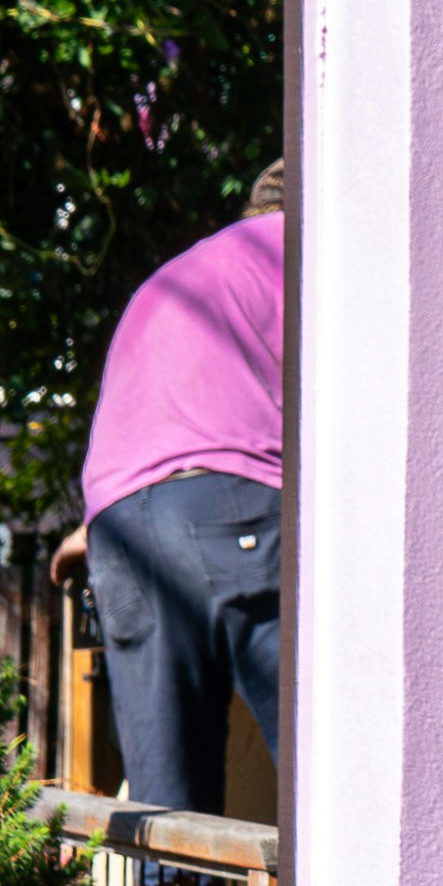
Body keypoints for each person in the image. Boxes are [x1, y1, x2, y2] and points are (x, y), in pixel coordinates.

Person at [79, 164, 287, 819]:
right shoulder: (313, 250)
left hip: (118, 527)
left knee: (171, 816)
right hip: (232, 503)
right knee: (329, 777)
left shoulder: (186, 270)